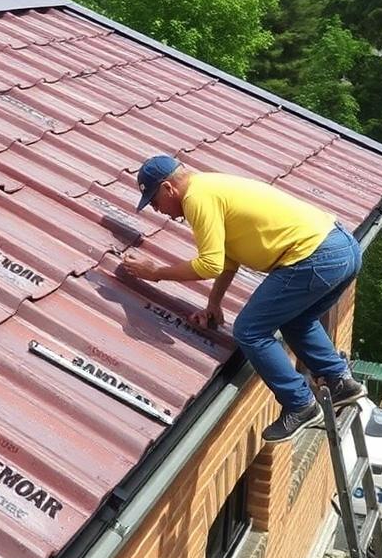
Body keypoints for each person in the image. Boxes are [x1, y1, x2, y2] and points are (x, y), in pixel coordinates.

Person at [121, 154, 366, 443]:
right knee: (296, 320)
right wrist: (214, 302)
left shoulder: (196, 199)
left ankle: (300, 404)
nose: (158, 210)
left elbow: (209, 264)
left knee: (250, 330)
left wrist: (156, 273)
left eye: (154, 201)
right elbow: (227, 259)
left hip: (314, 256)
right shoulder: (210, 186)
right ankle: (340, 381)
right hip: (344, 249)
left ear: (168, 188)